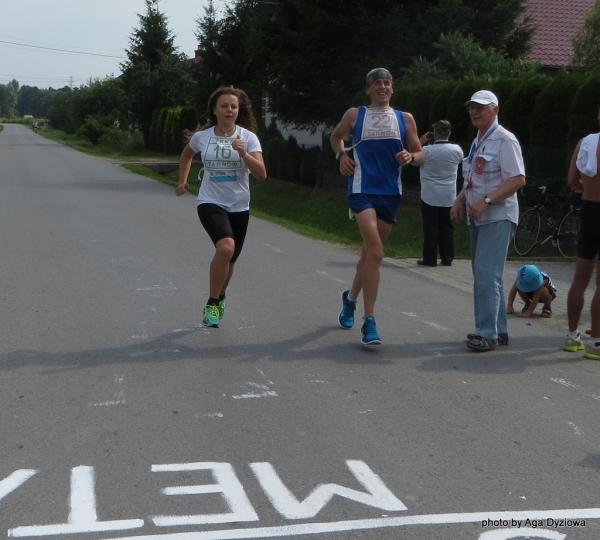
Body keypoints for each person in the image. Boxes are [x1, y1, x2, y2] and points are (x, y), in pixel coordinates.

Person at [330, 67, 424, 345]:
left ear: (392, 88)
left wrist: (411, 156)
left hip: (390, 193)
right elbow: (336, 137)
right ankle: (369, 321)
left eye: (387, 83)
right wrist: (342, 155)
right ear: (368, 89)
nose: (382, 87)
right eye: (377, 83)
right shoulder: (355, 115)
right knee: (377, 253)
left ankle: (350, 299)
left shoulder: (404, 118)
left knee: (369, 256)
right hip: (362, 190)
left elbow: (421, 154)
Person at [176, 86, 267, 327]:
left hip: (239, 204)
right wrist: (183, 181)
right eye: (224, 106)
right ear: (215, 110)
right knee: (226, 248)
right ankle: (212, 302)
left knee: (231, 259)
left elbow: (262, 174)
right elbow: (186, 156)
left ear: (239, 111)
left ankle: (220, 296)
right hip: (210, 201)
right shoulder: (202, 137)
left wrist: (244, 153)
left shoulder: (248, 138)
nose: (229, 110)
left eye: (234, 106)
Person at [450, 90, 526, 352]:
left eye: (481, 107)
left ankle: (486, 333)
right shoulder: (478, 140)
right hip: (478, 217)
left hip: (498, 215)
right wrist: (460, 199)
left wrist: (488, 201)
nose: (474, 111)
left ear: (495, 110)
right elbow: (471, 178)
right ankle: (499, 330)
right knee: (487, 275)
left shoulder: (505, 140)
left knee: (486, 275)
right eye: (471, 107)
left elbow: (517, 179)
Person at [563, 107, 600, 359]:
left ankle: (572, 335)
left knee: (580, 278)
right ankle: (596, 342)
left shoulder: (585, 142)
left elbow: (571, 180)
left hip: (589, 210)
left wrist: (584, 189)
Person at [416, 120, 464, 267]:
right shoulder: (457, 150)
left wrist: (419, 142)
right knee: (447, 227)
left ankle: (430, 258)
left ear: (435, 133)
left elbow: (413, 159)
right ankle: (447, 257)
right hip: (449, 195)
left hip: (429, 194)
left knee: (430, 227)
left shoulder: (426, 150)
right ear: (449, 133)